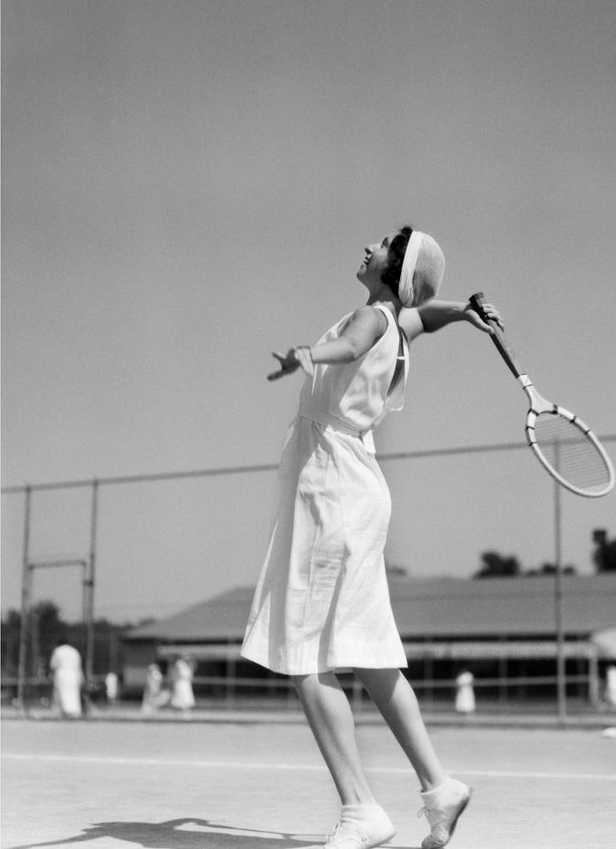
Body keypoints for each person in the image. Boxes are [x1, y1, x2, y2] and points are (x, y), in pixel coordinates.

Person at [241, 227, 504, 849]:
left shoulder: (368, 319)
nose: (368, 244)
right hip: (355, 488)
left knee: (303, 653)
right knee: (366, 653)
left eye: (383, 243)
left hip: (333, 490)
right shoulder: (398, 323)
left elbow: (355, 339)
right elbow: (422, 317)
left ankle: (363, 811)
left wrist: (312, 352)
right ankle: (440, 787)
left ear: (395, 269)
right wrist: (463, 311)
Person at [49, 639, 84, 719]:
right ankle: (74, 712)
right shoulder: (75, 651)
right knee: (73, 694)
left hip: (62, 674)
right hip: (75, 674)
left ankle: (63, 713)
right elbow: (79, 665)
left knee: (61, 694)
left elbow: (53, 665)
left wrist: (51, 674)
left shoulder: (58, 651)